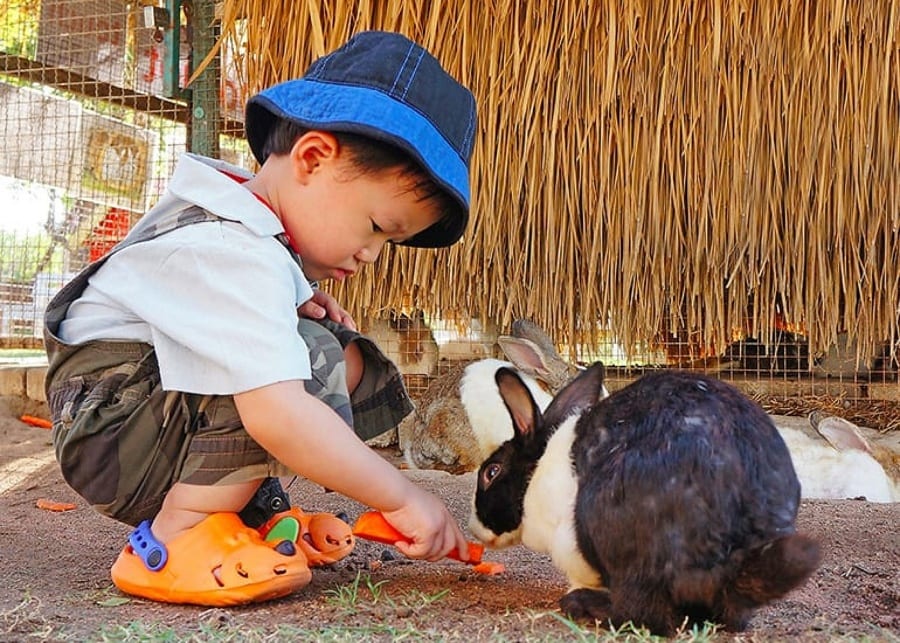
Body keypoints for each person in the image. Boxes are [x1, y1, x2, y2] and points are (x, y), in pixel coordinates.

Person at [42, 30, 479, 606]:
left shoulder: (236, 228)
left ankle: (242, 514)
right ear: (314, 158)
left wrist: (292, 300)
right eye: (377, 227)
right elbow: (276, 414)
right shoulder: (236, 251)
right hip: (113, 431)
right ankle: (179, 537)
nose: (372, 254)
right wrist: (399, 495)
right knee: (283, 380)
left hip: (130, 416)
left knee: (324, 350)